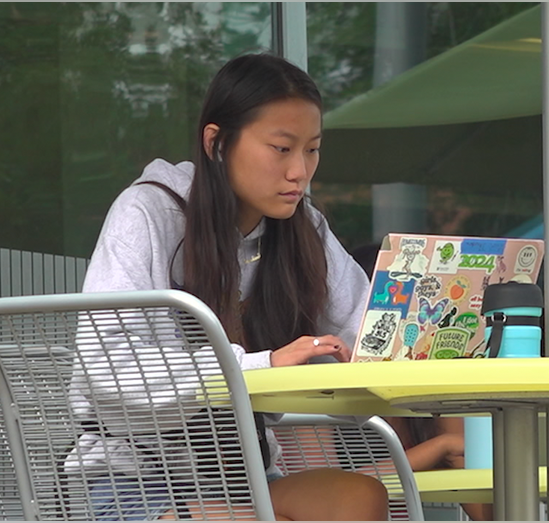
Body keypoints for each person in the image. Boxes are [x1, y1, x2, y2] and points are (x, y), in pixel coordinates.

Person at [68, 53, 388, 521]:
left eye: (312, 149)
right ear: (217, 143)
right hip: (132, 480)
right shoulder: (149, 213)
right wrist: (262, 365)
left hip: (244, 478)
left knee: (359, 498)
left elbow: (364, 326)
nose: (300, 171)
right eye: (281, 148)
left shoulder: (305, 229)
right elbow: (107, 363)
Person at [350, 243, 493, 521]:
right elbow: (319, 482)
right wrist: (440, 447)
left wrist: (447, 443)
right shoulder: (325, 383)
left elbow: (489, 514)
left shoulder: (438, 391)